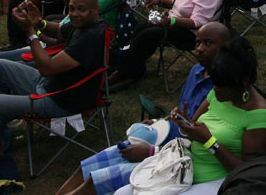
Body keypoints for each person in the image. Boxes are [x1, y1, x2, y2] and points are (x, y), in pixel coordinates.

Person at [56, 22, 231, 195]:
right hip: (166, 135)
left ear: (227, 47)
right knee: (89, 166)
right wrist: (159, 122)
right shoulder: (196, 71)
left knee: (98, 180)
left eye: (208, 43)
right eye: (198, 42)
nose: (199, 48)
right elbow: (184, 114)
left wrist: (150, 152)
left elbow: (200, 140)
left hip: (177, 155)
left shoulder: (225, 90)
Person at [114, 36, 266, 195]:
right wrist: (184, 123)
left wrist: (210, 142)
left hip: (217, 180)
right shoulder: (220, 93)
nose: (215, 90)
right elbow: (193, 129)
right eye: (214, 84)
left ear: (244, 81)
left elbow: (249, 173)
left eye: (221, 86)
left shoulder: (258, 116)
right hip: (185, 165)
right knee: (122, 193)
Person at [0, 0, 106, 157]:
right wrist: (38, 23)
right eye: (71, 8)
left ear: (96, 10)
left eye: (81, 9)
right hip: (48, 85)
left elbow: (47, 68)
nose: (75, 14)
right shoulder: (85, 25)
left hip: (59, 100)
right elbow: (58, 31)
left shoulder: (90, 38)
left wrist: (30, 33)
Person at [108, 0, 223, 88]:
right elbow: (180, 3)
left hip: (192, 34)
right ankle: (130, 68)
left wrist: (171, 21)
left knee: (147, 35)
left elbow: (197, 22)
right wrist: (160, 1)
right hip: (176, 22)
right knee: (140, 27)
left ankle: (127, 73)